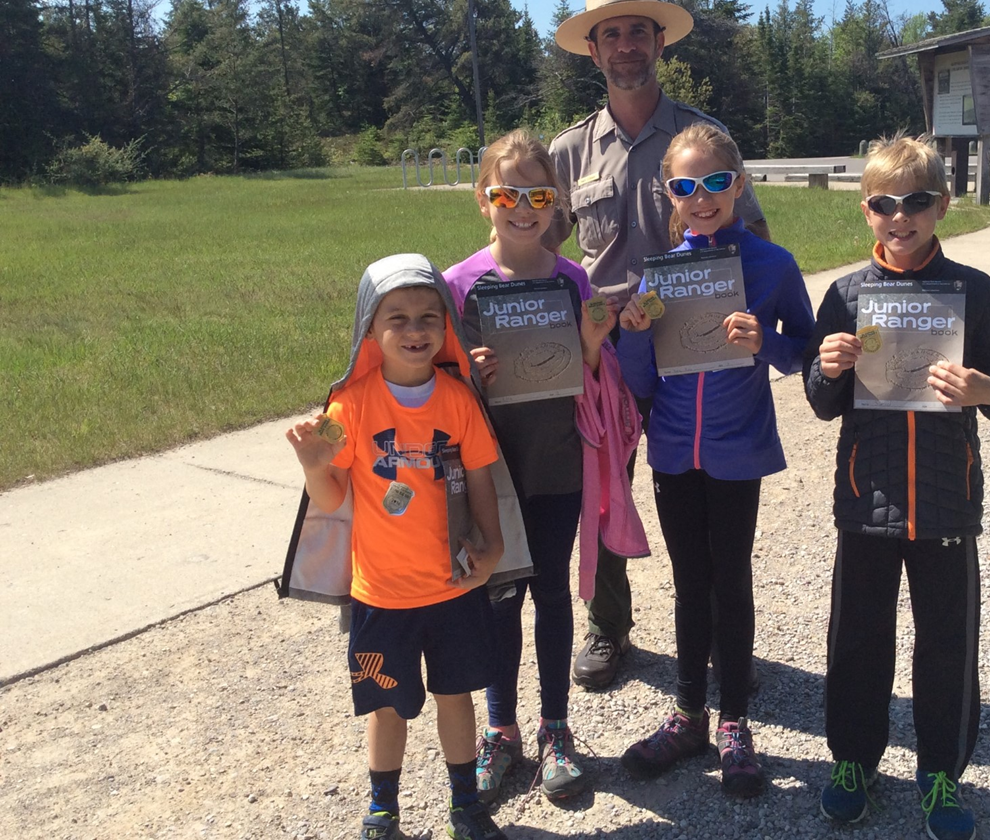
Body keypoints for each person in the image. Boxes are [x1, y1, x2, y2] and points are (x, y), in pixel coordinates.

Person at [547, 0, 772, 691]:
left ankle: (705, 632)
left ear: (660, 40)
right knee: (602, 488)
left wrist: (753, 323)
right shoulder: (570, 151)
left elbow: (754, 233)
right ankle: (609, 626)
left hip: (694, 348)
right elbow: (539, 251)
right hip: (607, 348)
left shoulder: (704, 140)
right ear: (592, 50)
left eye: (638, 30)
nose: (625, 44)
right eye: (610, 33)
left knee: (697, 493)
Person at [802, 134, 990, 840]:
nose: (900, 217)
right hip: (864, 502)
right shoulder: (844, 295)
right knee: (857, 639)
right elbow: (820, 401)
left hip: (945, 502)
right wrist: (828, 367)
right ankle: (853, 761)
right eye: (884, 204)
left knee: (947, 643)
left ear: (942, 205)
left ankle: (940, 773)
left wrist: (987, 389)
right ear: (866, 210)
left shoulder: (975, 292)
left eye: (917, 202)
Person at [614, 123, 814, 797]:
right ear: (669, 193)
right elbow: (640, 380)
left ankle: (734, 721)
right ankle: (688, 713)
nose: (702, 198)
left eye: (716, 182)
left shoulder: (773, 265)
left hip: (736, 448)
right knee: (688, 578)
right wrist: (633, 334)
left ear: (741, 182)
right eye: (685, 185)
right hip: (674, 448)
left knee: (730, 577)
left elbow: (808, 354)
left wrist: (768, 343)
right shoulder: (661, 270)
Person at [284, 254, 509, 840]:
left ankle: (466, 806)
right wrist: (313, 468)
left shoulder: (458, 400)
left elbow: (482, 475)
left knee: (456, 695)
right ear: (370, 329)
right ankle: (382, 812)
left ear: (446, 326)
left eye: (429, 317)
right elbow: (331, 496)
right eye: (397, 318)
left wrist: (493, 548)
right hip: (381, 594)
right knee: (386, 708)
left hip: (453, 584)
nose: (415, 331)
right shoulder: (348, 406)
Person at [443, 130, 620, 806]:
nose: (523, 207)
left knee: (550, 595)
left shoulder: (573, 278)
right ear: (484, 199)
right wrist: (468, 379)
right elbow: (438, 388)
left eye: (538, 194)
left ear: (555, 204)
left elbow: (597, 378)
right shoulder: (458, 284)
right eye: (507, 193)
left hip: (556, 467)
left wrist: (595, 347)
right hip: (492, 474)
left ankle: (555, 728)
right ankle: (501, 728)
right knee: (496, 599)